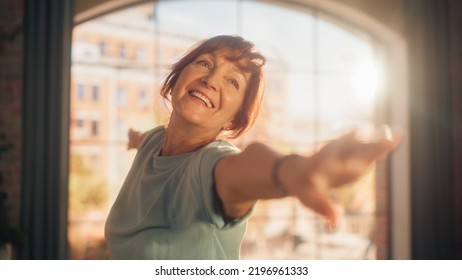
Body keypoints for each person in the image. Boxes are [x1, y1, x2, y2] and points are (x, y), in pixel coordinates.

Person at [104, 35, 402, 260]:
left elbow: (246, 165)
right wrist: (133, 139)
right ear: (176, 78)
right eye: (205, 63)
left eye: (232, 82)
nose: (210, 80)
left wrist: (294, 171)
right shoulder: (155, 141)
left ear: (236, 116)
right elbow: (144, 140)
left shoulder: (211, 165)